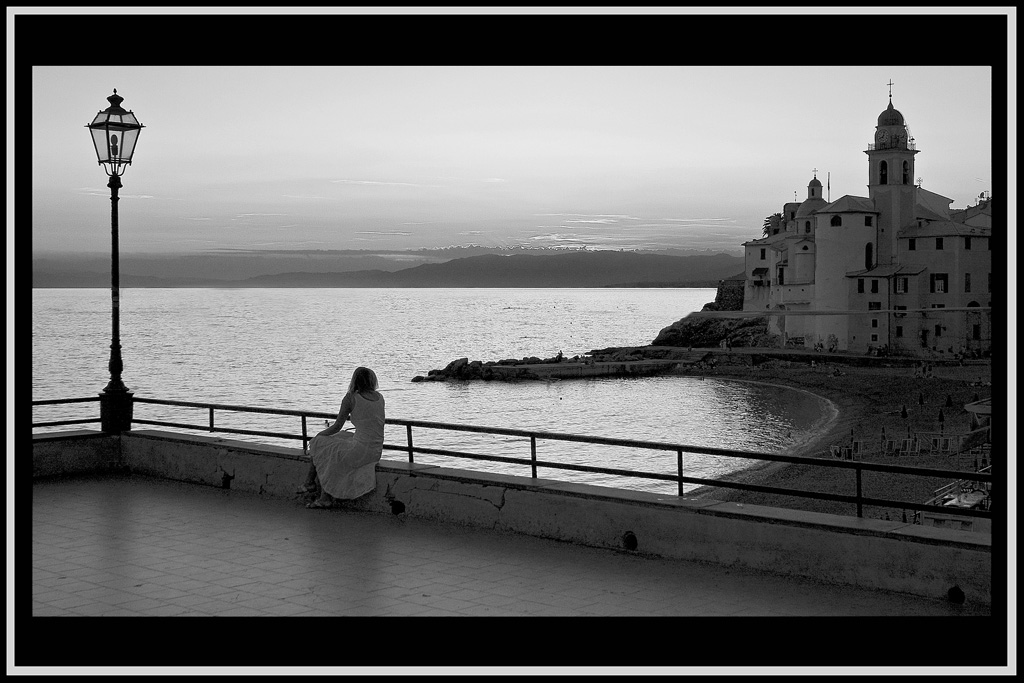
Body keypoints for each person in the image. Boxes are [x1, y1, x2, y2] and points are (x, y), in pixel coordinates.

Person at [299, 366, 386, 509]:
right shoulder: (379, 398)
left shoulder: (351, 398)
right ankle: (313, 486)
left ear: (355, 380)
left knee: (321, 443)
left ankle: (314, 488)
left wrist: (317, 437)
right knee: (338, 440)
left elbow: (337, 426)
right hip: (375, 450)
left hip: (359, 451)